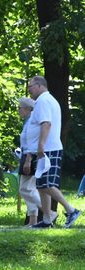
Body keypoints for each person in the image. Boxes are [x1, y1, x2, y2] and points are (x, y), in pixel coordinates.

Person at [27, 76, 81, 228]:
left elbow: (46, 124)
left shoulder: (44, 101)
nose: (29, 89)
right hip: (47, 149)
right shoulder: (46, 100)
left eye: (30, 86)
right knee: (41, 184)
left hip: (48, 149)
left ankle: (71, 210)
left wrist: (41, 146)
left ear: (39, 85)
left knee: (47, 184)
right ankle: (46, 220)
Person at [16, 97, 43, 226]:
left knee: (25, 189)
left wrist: (28, 160)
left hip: (29, 157)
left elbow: (31, 143)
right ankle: (33, 221)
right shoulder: (28, 121)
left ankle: (48, 210)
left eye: (19, 107)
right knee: (27, 188)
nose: (18, 110)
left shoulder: (31, 122)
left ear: (27, 109)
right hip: (26, 156)